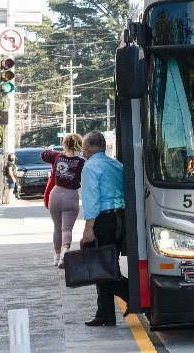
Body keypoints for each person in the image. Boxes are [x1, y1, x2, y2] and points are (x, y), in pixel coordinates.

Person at [78, 131, 129, 326]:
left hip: (104, 220)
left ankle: (130, 293)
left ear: (88, 148)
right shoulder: (116, 165)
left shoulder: (90, 167)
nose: (83, 151)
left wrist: (88, 228)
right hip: (120, 219)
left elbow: (92, 199)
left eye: (83, 147)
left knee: (100, 266)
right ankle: (105, 313)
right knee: (108, 262)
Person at [43, 134, 86, 267]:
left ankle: (56, 257)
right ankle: (64, 253)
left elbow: (44, 154)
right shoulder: (82, 162)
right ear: (79, 144)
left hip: (55, 194)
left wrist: (61, 151)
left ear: (65, 144)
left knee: (57, 228)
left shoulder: (57, 157)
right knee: (66, 229)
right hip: (71, 196)